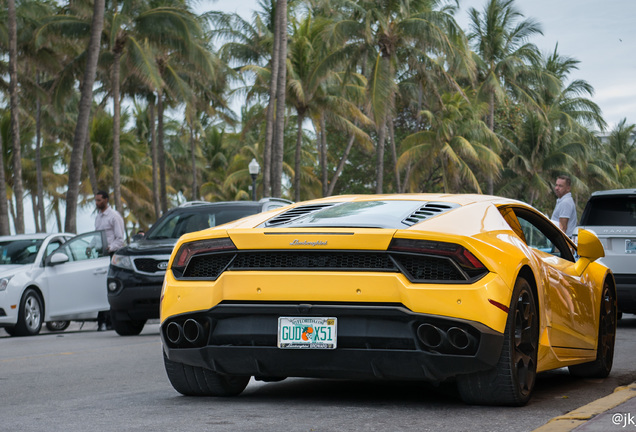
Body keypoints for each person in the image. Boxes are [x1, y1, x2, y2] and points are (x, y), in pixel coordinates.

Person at [90, 190, 125, 331]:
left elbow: (120, 239)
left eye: (99, 200)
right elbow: (97, 236)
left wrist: (110, 248)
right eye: (96, 200)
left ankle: (109, 320)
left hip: (112, 254)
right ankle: (102, 321)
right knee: (100, 287)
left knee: (109, 286)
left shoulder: (114, 216)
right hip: (100, 255)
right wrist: (90, 246)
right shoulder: (98, 217)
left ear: (106, 200)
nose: (97, 203)